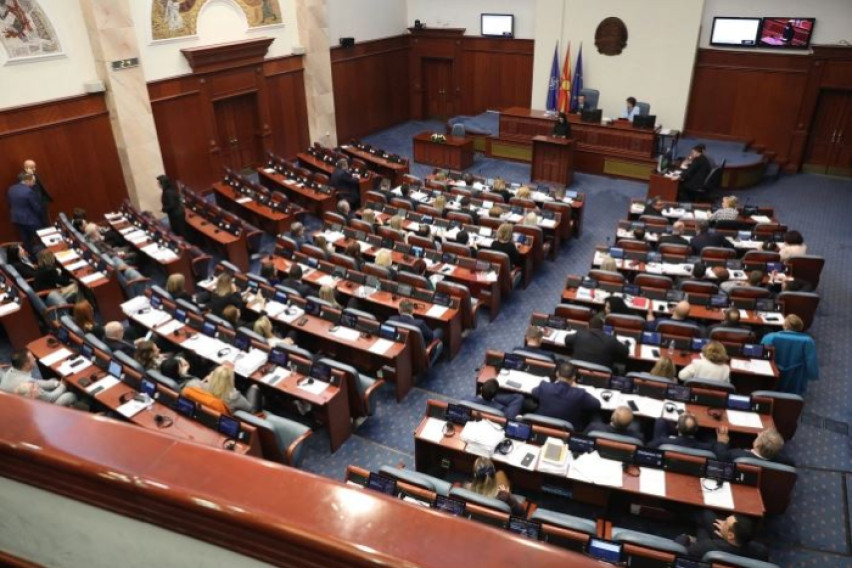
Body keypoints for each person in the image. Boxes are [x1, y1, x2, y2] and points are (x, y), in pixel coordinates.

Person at [530, 361, 600, 429]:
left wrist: (553, 385)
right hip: (567, 431)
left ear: (557, 374)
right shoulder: (579, 394)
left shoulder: (545, 386)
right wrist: (576, 388)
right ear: (573, 377)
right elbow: (597, 404)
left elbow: (534, 392)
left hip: (540, 427)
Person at [760, 314, 818, 395]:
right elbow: (811, 363)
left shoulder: (769, 337)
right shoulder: (808, 341)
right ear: (800, 327)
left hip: (771, 379)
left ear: (784, 325)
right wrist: (813, 375)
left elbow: (760, 357)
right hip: (796, 381)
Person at [676, 511, 768, 561]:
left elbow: (682, 552)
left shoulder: (708, 546)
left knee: (704, 519)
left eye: (725, 523)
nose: (722, 522)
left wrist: (685, 538)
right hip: (728, 544)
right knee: (707, 516)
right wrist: (725, 535)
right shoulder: (761, 550)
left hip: (703, 553)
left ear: (731, 535)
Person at [0, 350, 77, 406]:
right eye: (32, 358)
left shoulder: (13, 370)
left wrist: (56, 383)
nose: (34, 359)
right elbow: (50, 398)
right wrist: (63, 385)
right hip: (32, 410)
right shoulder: (28, 385)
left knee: (54, 380)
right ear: (26, 365)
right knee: (69, 395)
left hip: (11, 404)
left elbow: (36, 381)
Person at [182, 365, 259, 415]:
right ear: (231, 380)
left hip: (205, 415)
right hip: (245, 413)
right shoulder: (234, 397)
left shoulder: (199, 387)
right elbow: (250, 409)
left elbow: (191, 382)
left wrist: (206, 381)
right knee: (254, 387)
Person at [563, 318, 629, 370]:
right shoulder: (611, 340)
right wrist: (626, 344)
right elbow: (625, 352)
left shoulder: (580, 334)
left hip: (577, 369)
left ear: (588, 326)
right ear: (603, 328)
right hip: (602, 374)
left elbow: (566, 340)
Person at [7, 173, 44, 254]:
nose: (34, 183)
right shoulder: (28, 191)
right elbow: (36, 207)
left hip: (17, 219)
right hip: (30, 220)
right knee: (41, 238)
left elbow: (10, 203)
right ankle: (44, 255)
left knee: (26, 240)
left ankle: (31, 255)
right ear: (27, 181)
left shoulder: (11, 189)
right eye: (33, 181)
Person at [716, 427, 792, 465]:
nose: (758, 433)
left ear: (757, 445)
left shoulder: (736, 455)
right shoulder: (785, 462)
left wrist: (722, 441)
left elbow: (721, 456)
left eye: (760, 435)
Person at [648, 412, 719, 452]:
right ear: (697, 429)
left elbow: (649, 447)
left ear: (677, 427)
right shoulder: (710, 447)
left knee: (660, 422)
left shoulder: (661, 442)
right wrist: (721, 441)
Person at [21, 159, 52, 226]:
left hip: (42, 202)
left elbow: (40, 187)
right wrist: (30, 175)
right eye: (32, 168)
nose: (34, 169)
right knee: (40, 223)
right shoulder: (22, 176)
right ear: (26, 168)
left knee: (46, 222)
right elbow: (29, 187)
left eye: (34, 167)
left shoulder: (35, 174)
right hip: (34, 205)